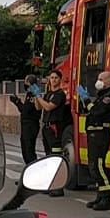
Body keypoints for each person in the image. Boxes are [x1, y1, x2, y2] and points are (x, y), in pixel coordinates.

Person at [81, 71, 110, 211]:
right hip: (94, 133)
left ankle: (106, 198)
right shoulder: (102, 96)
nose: (98, 81)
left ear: (109, 81)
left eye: (101, 79)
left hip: (100, 133)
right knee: (95, 165)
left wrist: (86, 100)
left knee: (97, 166)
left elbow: (96, 112)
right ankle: (100, 196)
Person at [34, 69, 72, 197]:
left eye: (56, 77)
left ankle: (58, 187)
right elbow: (38, 107)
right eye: (51, 77)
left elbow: (49, 107)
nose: (53, 79)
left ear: (60, 80)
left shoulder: (60, 94)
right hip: (46, 127)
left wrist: (39, 97)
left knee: (56, 158)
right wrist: (36, 96)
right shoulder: (49, 93)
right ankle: (50, 185)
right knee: (48, 157)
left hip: (55, 128)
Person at [7, 74, 42, 163]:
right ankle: (29, 166)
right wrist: (17, 102)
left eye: (26, 82)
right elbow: (25, 110)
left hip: (31, 125)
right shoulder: (29, 94)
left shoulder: (34, 95)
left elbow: (26, 110)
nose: (24, 84)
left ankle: (33, 168)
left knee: (29, 150)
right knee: (25, 148)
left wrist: (17, 102)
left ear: (30, 83)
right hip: (26, 125)